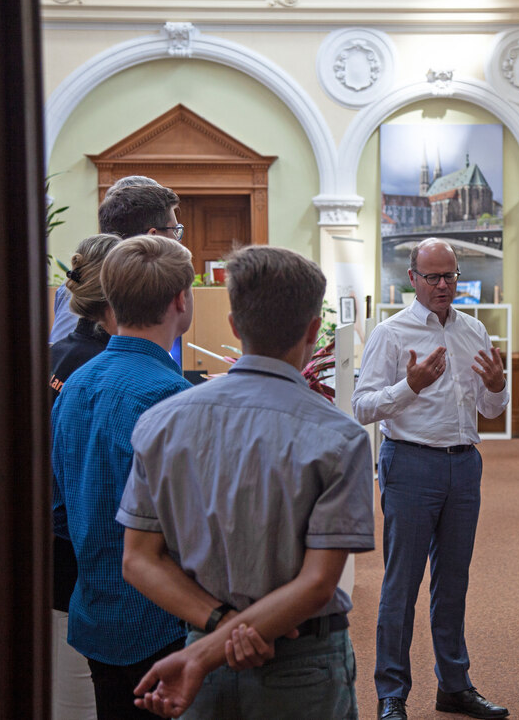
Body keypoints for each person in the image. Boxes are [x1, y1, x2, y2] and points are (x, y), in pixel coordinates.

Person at [117, 244, 375, 719]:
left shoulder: (161, 423)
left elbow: (138, 559)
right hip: (299, 661)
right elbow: (318, 583)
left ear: (234, 326)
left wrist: (215, 634)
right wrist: (219, 645)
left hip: (199, 648)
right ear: (315, 332)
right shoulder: (341, 437)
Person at [353, 238, 510, 720]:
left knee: (453, 582)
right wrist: (410, 387)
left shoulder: (474, 331)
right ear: (413, 279)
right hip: (411, 464)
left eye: (450, 276)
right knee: (402, 583)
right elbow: (361, 406)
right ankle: (392, 694)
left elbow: (487, 409)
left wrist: (499, 387)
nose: (443, 286)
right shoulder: (391, 333)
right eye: (433, 277)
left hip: (464, 464)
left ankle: (454, 685)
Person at [51, 235, 195, 719]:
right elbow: (193, 528)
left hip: (95, 607)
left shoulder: (75, 384)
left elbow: (58, 502)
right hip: (162, 618)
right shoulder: (169, 396)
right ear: (181, 300)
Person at [48, 233, 122, 720]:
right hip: (78, 546)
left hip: (57, 535)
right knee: (81, 696)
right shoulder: (99, 365)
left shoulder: (59, 350)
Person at [50, 178, 180, 344]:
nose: (178, 241)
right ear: (152, 236)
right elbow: (67, 359)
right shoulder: (92, 288)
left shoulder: (141, 285)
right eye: (174, 230)